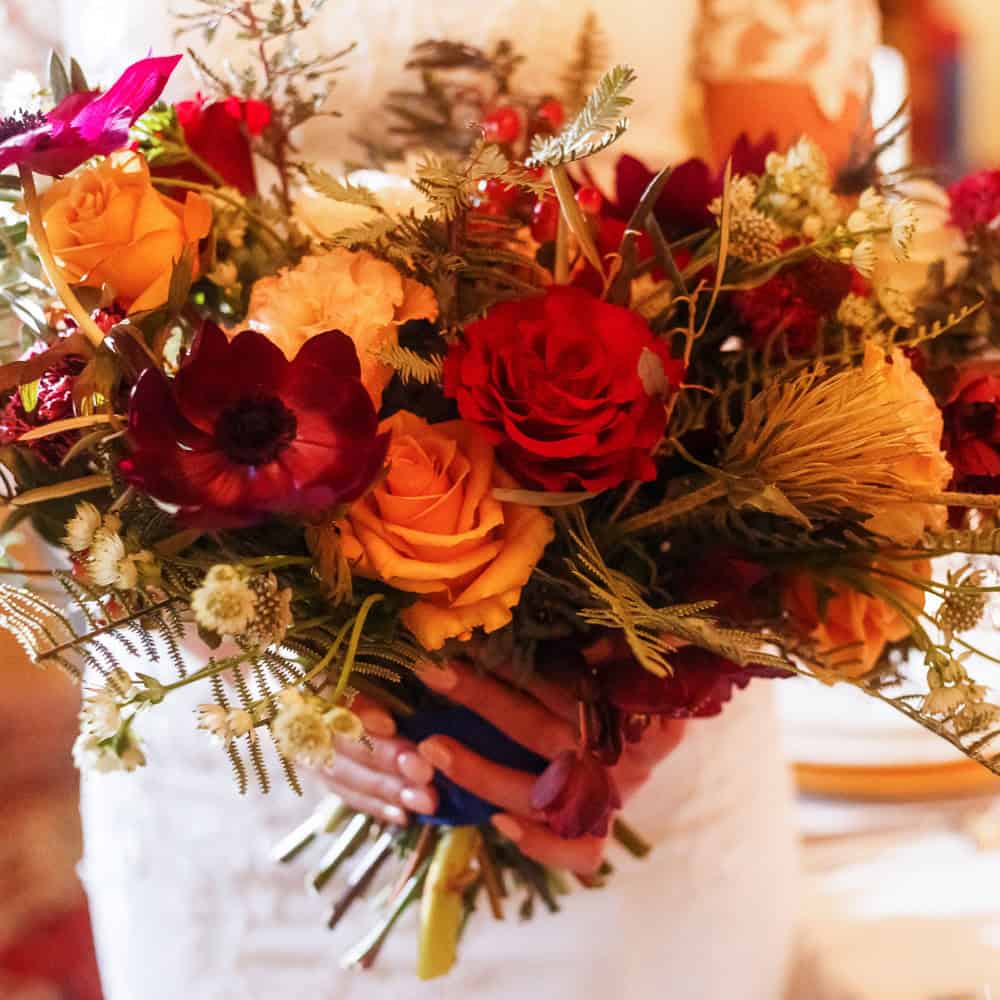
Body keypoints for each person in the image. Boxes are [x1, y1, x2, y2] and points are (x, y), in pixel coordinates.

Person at [36, 1, 879, 997]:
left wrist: (650, 678)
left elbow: (807, 282)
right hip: (223, 761)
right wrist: (242, 630)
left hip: (620, 739)